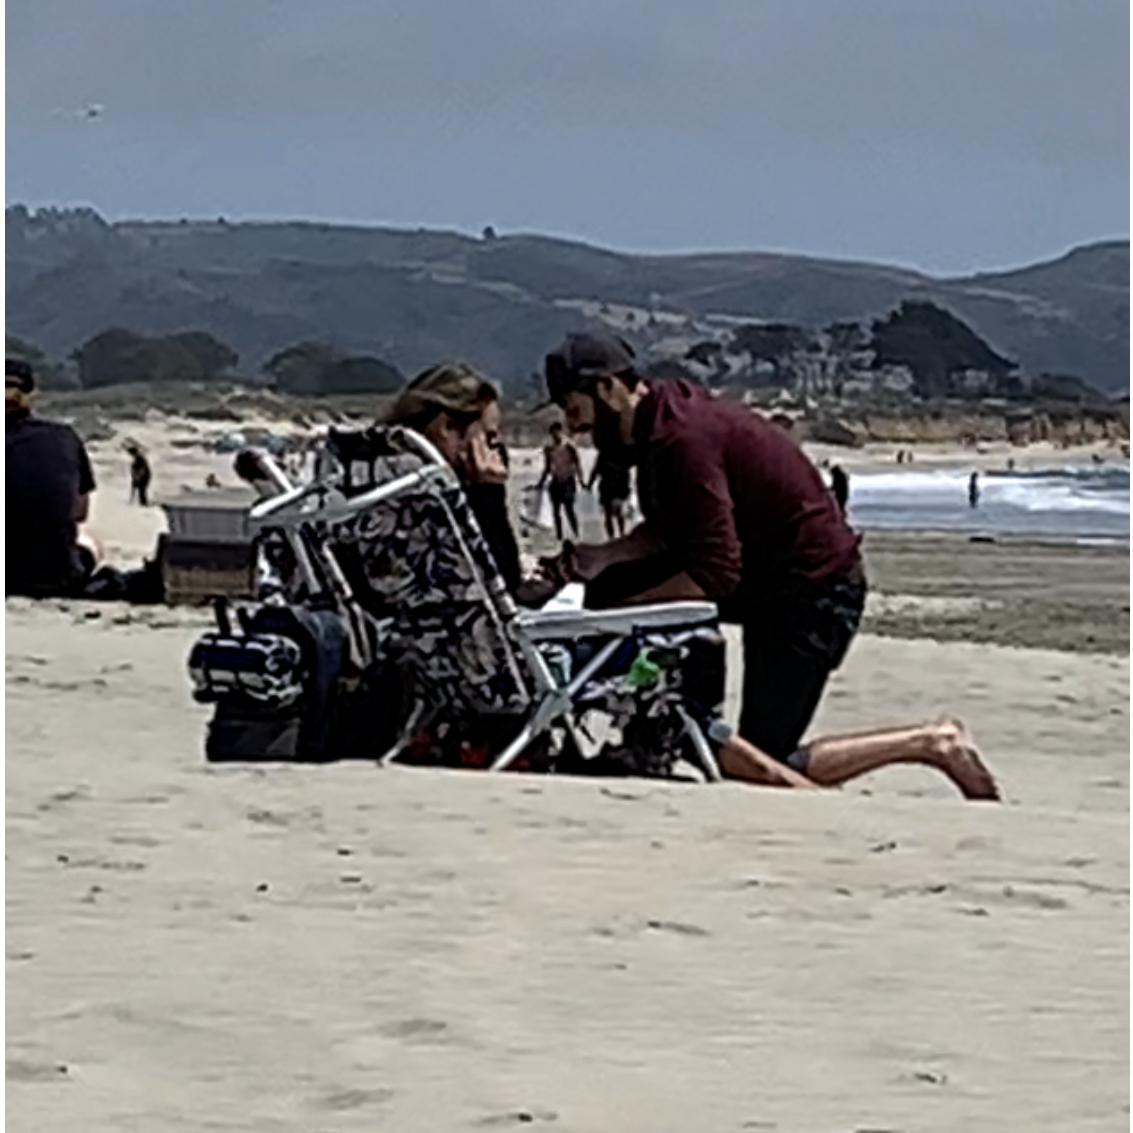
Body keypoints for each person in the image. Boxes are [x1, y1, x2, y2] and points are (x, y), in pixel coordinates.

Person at [540, 332, 867, 766]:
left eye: (575, 410)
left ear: (609, 389)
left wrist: (630, 612)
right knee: (612, 585)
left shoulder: (680, 439)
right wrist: (606, 556)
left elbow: (714, 573)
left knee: (764, 760)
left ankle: (930, 743)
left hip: (812, 591)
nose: (575, 428)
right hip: (764, 579)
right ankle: (659, 727)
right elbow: (672, 528)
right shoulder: (656, 426)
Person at [385, 362, 524, 596]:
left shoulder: (376, 479)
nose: (496, 452)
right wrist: (489, 495)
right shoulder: (432, 495)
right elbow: (502, 583)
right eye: (489, 438)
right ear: (447, 427)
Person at [6, 357, 98, 597]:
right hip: (59, 577)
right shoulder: (64, 436)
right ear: (32, 394)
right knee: (90, 543)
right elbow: (80, 513)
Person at [586, 422, 633, 540]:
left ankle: (621, 534)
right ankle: (613, 537)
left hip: (618, 485)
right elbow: (595, 470)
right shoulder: (603, 454)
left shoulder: (618, 453)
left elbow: (626, 470)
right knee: (609, 513)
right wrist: (590, 484)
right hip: (607, 486)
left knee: (618, 512)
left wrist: (626, 488)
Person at [538, 422, 582, 542]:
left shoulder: (569, 446)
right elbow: (547, 467)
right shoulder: (549, 448)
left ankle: (577, 535)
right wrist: (540, 483)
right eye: (552, 433)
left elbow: (577, 463)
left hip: (568, 481)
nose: (554, 435)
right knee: (556, 512)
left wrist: (581, 481)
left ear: (560, 431)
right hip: (556, 481)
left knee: (569, 510)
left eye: (556, 432)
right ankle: (559, 537)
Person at [126, 442, 152, 506]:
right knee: (140, 490)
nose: (130, 455)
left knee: (142, 490)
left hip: (144, 476)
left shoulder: (139, 458)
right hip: (141, 476)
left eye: (130, 453)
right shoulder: (137, 458)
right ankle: (141, 503)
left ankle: (144, 504)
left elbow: (142, 469)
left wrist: (138, 477)